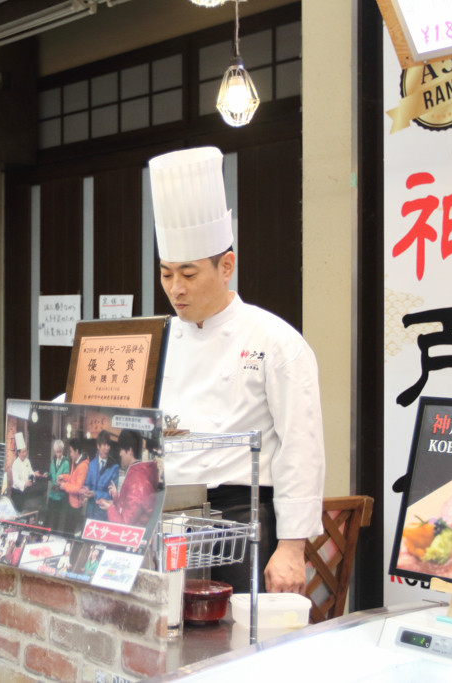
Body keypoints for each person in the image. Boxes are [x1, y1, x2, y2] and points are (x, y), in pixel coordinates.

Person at [149, 146, 325, 594]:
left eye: (188, 274)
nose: (175, 288)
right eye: (167, 274)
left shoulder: (276, 341)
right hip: (166, 516)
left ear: (226, 266)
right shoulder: (158, 338)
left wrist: (292, 546)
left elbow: (301, 447)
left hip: (240, 518)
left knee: (231, 647)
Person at [98, 429, 160, 527]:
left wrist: (110, 508)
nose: (120, 454)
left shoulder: (138, 483)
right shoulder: (137, 474)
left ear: (129, 451)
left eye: (121, 450)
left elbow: (124, 524)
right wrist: (116, 498)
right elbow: (130, 507)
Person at [81, 430, 119, 522]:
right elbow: (87, 484)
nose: (107, 448)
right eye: (104, 445)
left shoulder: (114, 466)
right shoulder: (92, 464)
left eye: (108, 445)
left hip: (103, 513)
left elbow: (112, 495)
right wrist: (85, 490)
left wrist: (95, 493)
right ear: (98, 446)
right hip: (90, 511)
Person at [57, 438, 90, 534]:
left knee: (69, 531)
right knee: (66, 528)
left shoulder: (83, 466)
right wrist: (64, 476)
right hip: (71, 500)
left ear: (77, 451)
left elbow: (77, 487)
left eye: (71, 452)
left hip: (75, 504)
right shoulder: (76, 462)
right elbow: (73, 478)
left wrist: (65, 485)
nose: (70, 454)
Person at [44, 438, 71, 531]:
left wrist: (60, 483)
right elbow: (52, 475)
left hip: (60, 495)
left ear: (62, 450)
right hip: (52, 494)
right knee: (48, 517)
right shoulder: (53, 461)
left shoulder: (66, 463)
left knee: (56, 518)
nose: (58, 454)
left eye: (59, 452)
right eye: (56, 452)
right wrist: (47, 475)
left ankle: (54, 535)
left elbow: (66, 479)